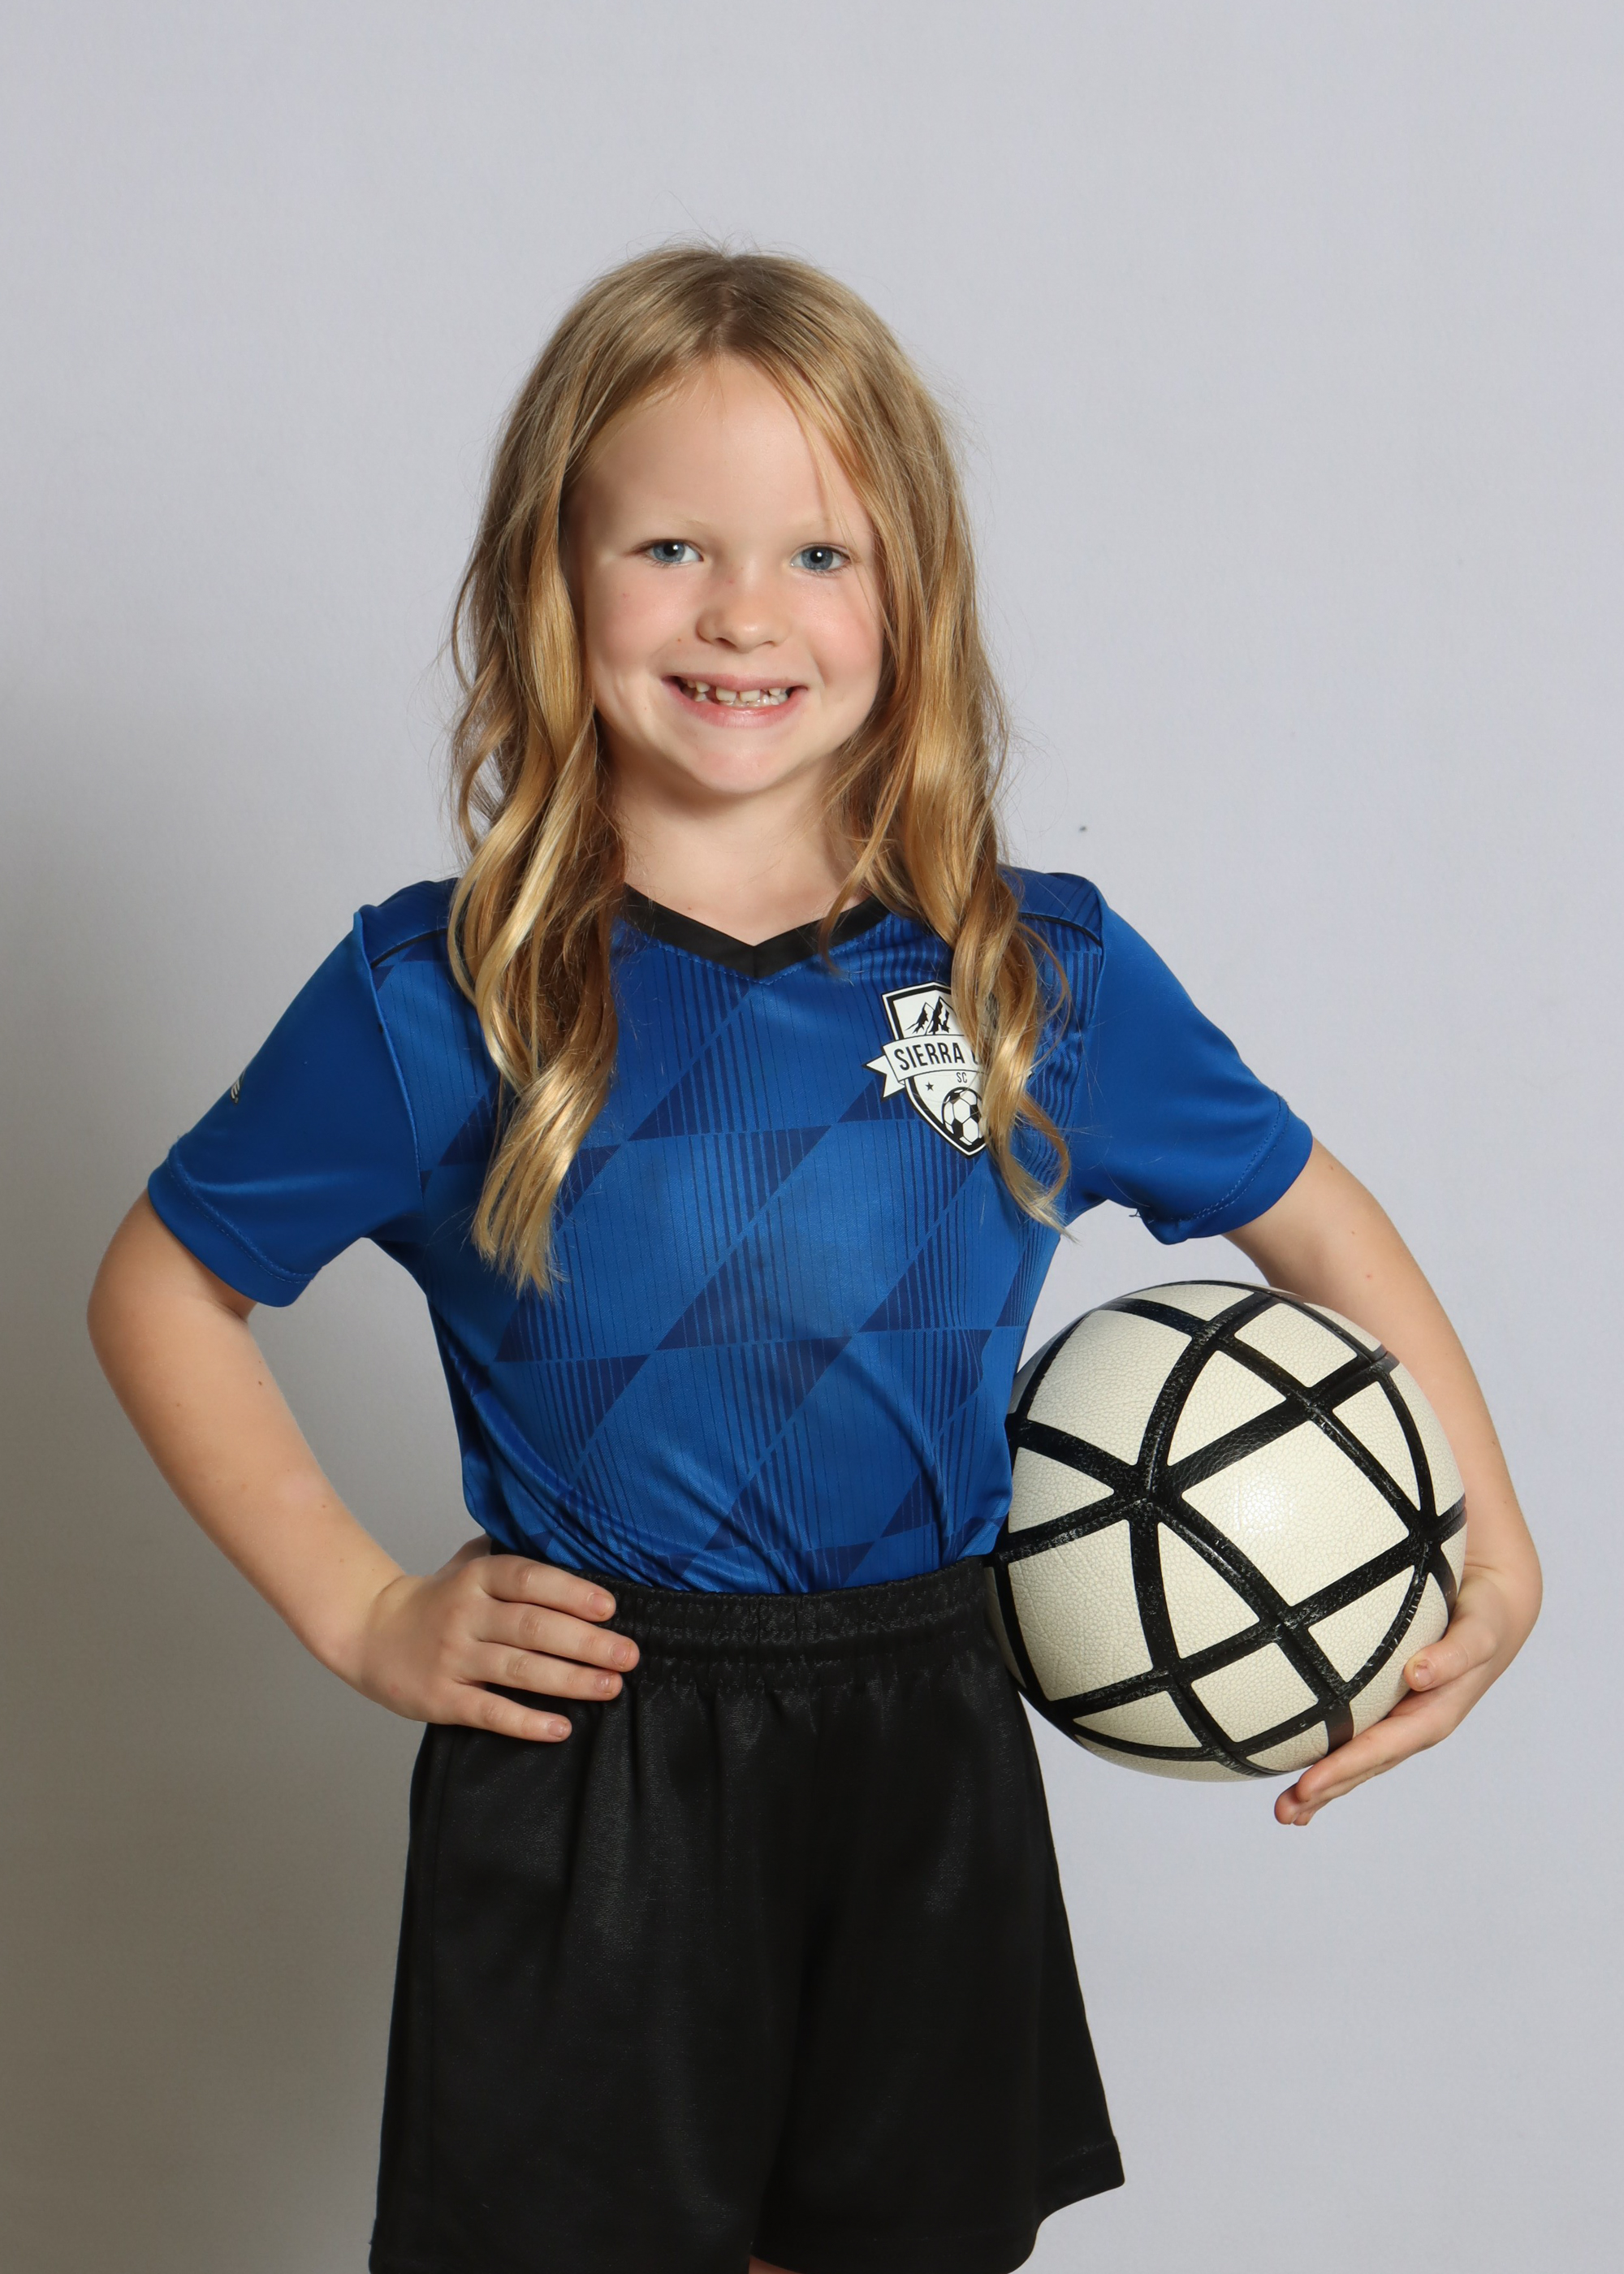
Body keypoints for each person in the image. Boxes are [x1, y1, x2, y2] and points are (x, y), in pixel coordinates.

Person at [87, 246, 1541, 2274]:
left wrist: (1489, 1537)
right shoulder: (446, 995)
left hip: (929, 1742)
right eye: (671, 546)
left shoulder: (1028, 973)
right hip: (597, 1764)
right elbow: (162, 1283)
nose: (744, 611)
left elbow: (1304, 1209)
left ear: (910, 596)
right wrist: (359, 1606)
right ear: (551, 576)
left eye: (818, 553)